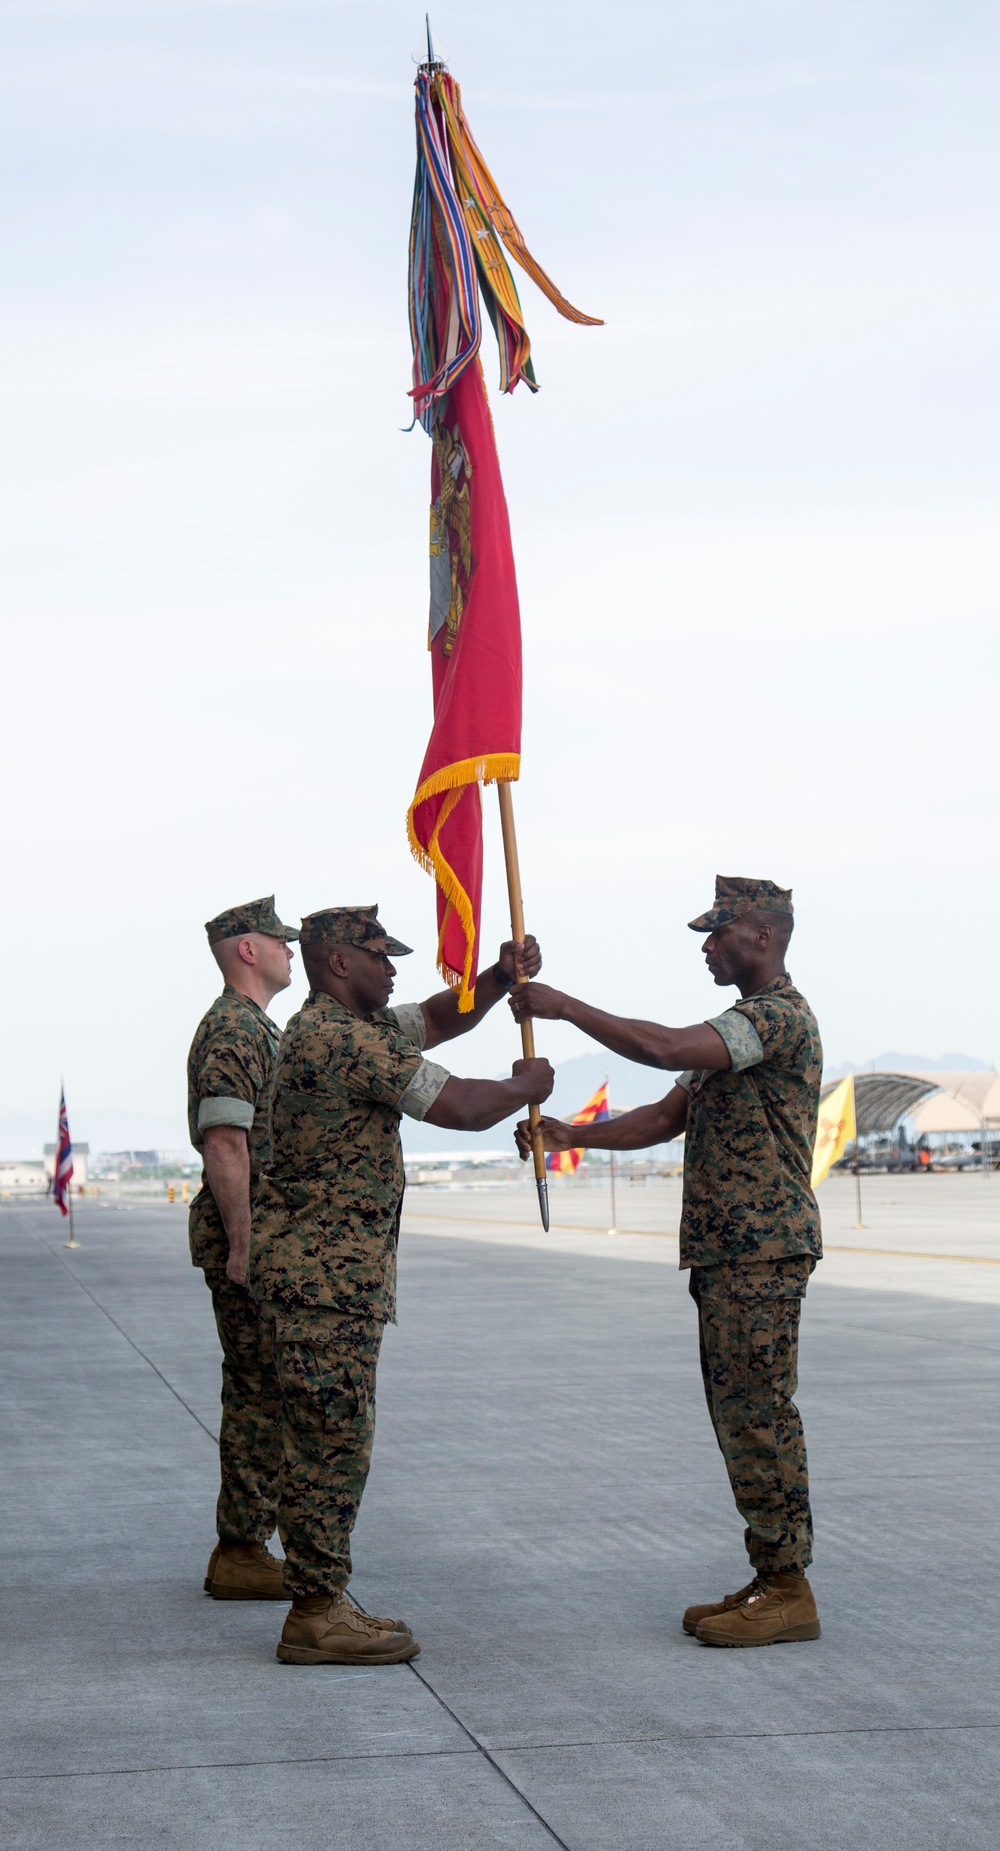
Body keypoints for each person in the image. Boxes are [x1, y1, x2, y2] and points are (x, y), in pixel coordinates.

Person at [512, 876, 823, 1648]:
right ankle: (770, 1575)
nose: (708, 946)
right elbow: (662, 1115)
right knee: (738, 1416)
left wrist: (567, 1007)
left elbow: (663, 1048)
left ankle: (788, 1587)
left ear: (763, 932)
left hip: (762, 1248)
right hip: (729, 1252)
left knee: (759, 1414)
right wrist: (569, 1135)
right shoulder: (736, 1028)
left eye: (717, 932)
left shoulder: (776, 1018)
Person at [249, 904, 554, 1667]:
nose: (394, 969)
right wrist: (526, 1085)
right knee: (329, 1445)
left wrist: (495, 977)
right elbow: (457, 1104)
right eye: (381, 956)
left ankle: (324, 1595)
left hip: (333, 1277)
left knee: (333, 1441)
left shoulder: (356, 1028)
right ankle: (316, 1611)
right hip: (325, 1281)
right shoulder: (334, 1038)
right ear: (338, 962)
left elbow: (435, 1021)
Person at [187, 895, 299, 1602]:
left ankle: (246, 1541)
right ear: (247, 950)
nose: (292, 950)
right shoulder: (233, 1028)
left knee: (264, 1392)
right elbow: (225, 1140)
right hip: (247, 1239)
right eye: (280, 940)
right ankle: (242, 1546)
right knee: (261, 1393)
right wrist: (244, 1241)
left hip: (257, 1236)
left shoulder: (258, 1025)